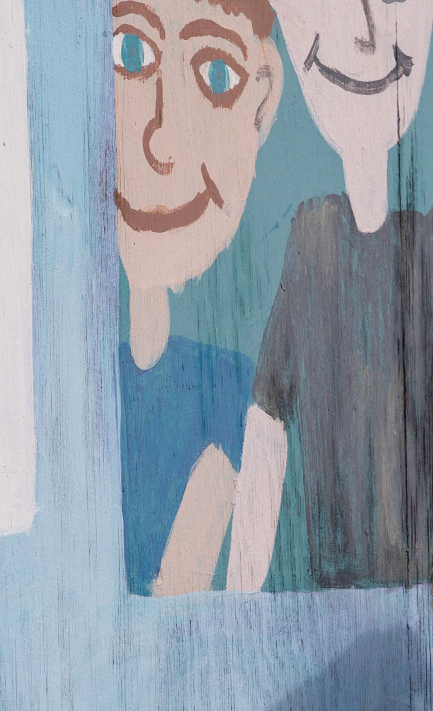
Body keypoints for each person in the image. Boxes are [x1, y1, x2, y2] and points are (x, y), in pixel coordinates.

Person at [227, 0, 433, 590]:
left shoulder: (412, 248)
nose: (363, 33)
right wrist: (239, 593)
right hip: (335, 585)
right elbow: (267, 418)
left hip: (414, 582)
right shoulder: (312, 238)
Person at [111, 0, 282, 595]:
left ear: (263, 99)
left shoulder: (236, 400)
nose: (162, 139)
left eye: (215, 74)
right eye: (130, 54)